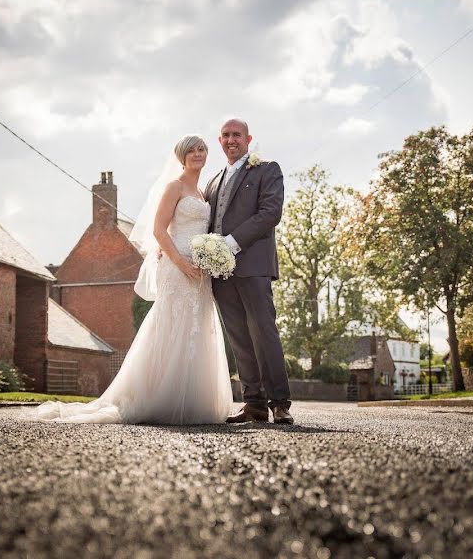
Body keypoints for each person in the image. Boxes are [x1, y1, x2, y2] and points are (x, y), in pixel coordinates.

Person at [30, 135, 233, 424]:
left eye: (202, 149)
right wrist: (181, 263)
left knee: (197, 327)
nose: (198, 154)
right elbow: (159, 231)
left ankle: (192, 398)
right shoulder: (174, 187)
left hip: (201, 271)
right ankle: (160, 395)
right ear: (181, 157)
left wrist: (207, 259)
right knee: (172, 324)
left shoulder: (202, 192)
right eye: (192, 151)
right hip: (177, 268)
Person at [204, 118, 293, 424]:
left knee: (264, 333)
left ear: (248, 138)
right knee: (239, 337)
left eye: (237, 135)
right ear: (220, 141)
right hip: (220, 273)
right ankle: (253, 403)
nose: (231, 140)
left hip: (253, 266)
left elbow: (271, 213)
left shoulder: (267, 169)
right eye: (226, 135)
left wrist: (231, 243)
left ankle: (280, 402)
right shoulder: (212, 181)